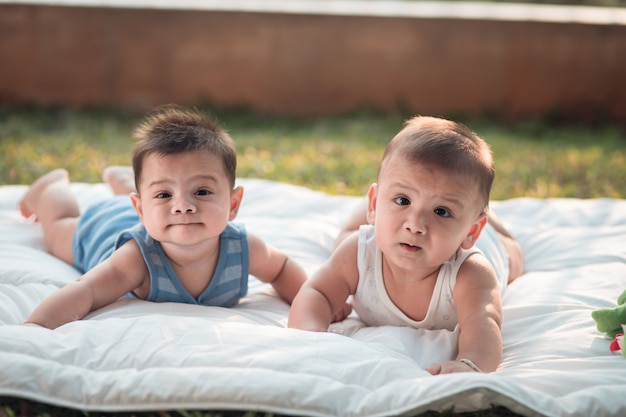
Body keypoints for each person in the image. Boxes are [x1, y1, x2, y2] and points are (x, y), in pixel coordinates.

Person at [20, 106, 308, 330]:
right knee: (58, 229)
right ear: (141, 209)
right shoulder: (137, 257)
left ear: (233, 203)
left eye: (202, 191)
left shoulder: (243, 248)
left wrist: (313, 300)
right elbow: (88, 291)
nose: (183, 206)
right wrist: (37, 327)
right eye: (165, 195)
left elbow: (281, 268)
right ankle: (50, 188)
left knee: (160, 186)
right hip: (104, 228)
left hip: (146, 211)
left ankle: (131, 184)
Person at [288, 115, 524, 375]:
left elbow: (484, 323)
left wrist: (470, 364)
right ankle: (389, 210)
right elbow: (316, 293)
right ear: (375, 204)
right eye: (402, 200)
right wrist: (310, 334)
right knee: (348, 237)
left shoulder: (470, 274)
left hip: (490, 245)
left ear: (471, 231)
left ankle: (494, 224)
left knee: (512, 257)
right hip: (384, 223)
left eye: (441, 211)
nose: (416, 225)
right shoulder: (358, 253)